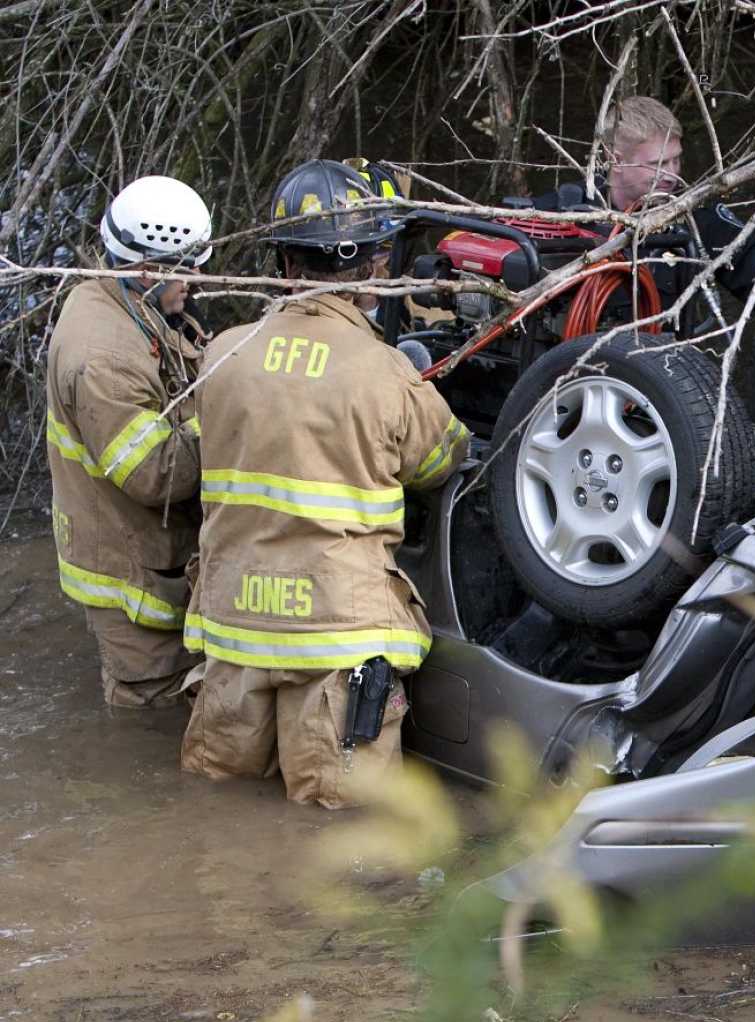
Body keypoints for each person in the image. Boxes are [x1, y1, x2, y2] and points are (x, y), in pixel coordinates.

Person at [179, 159, 468, 809]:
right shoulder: (384, 371)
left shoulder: (221, 355)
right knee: (342, 837)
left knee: (212, 812)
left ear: (284, 263)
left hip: (234, 633)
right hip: (338, 642)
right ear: (372, 267)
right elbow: (442, 462)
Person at [45, 175, 214, 708]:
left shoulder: (125, 302)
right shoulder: (104, 358)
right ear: (146, 269)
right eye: (187, 271)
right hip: (129, 577)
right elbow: (155, 474)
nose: (197, 281)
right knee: (150, 714)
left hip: (145, 553)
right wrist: (231, 413)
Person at [521, 95, 755, 328]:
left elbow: (747, 255)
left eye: (676, 161)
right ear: (615, 160)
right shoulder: (566, 209)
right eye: (659, 164)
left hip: (663, 375)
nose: (671, 174)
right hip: (570, 375)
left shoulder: (693, 215)